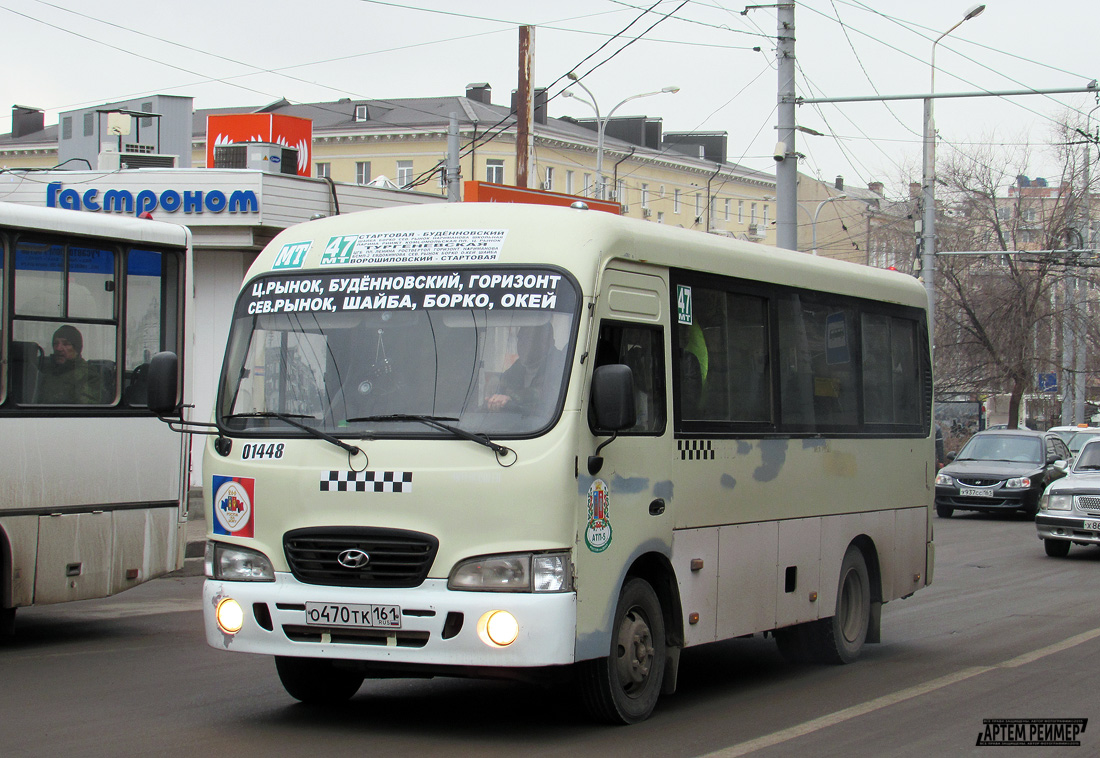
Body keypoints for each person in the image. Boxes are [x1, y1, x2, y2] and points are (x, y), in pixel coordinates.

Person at [487, 322, 562, 414]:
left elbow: (547, 392)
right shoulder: (520, 365)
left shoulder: (560, 363)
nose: (521, 345)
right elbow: (504, 381)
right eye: (520, 339)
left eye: (527, 339)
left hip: (547, 423)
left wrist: (512, 398)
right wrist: (495, 384)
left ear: (546, 342)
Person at [36, 325, 102, 404]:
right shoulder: (45, 369)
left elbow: (86, 410)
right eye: (55, 343)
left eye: (66, 344)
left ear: (77, 349)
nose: (58, 348)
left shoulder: (88, 375)